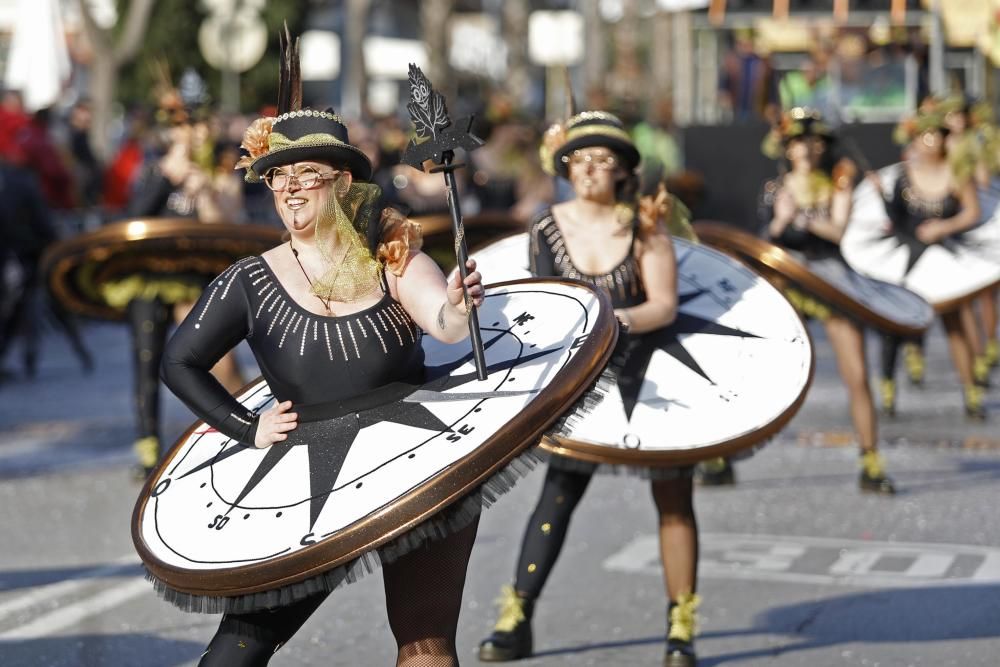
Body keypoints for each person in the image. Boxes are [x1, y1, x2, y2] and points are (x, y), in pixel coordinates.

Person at [158, 68, 493, 665]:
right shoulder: (249, 279)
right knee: (236, 650)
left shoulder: (389, 250)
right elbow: (179, 361)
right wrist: (245, 426)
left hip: (415, 462)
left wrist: (457, 305)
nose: (289, 189)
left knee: (425, 645)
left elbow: (441, 321)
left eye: (306, 175)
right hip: (302, 470)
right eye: (278, 176)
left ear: (341, 183)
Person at [477, 111, 700, 667]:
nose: (589, 169)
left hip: (646, 374)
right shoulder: (547, 224)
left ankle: (681, 625)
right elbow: (540, 301)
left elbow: (663, 305)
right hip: (580, 380)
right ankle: (517, 615)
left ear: (623, 171)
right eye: (579, 159)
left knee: (673, 497)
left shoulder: (646, 225)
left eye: (602, 160)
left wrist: (614, 321)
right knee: (558, 493)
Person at [758, 108, 895, 494]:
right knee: (748, 361)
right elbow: (766, 238)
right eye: (798, 142)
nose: (806, 149)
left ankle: (870, 458)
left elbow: (837, 232)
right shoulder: (775, 187)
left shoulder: (837, 184)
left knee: (856, 373)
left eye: (813, 142)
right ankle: (720, 454)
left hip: (831, 278)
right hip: (787, 277)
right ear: (786, 147)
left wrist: (799, 217)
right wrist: (781, 221)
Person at [880, 102, 984, 419]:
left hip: (943, 260)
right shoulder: (902, 176)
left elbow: (972, 211)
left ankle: (971, 393)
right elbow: (894, 217)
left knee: (954, 325)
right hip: (908, 258)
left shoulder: (957, 174)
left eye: (936, 136)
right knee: (894, 326)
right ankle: (887, 390)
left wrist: (944, 227)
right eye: (925, 136)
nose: (931, 142)